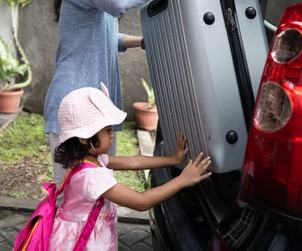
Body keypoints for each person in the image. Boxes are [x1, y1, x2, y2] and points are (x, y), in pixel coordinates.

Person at [44, 0, 187, 185]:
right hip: (75, 104)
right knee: (77, 199)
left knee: (98, 193)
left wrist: (139, 42)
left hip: (93, 105)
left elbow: (106, 35)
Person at [49, 84, 211, 251]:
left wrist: (172, 160)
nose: (112, 134)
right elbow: (141, 202)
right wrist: (182, 180)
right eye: (107, 130)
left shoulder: (89, 160)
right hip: (82, 243)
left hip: (81, 236)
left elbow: (133, 162)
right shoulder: (92, 177)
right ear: (84, 138)